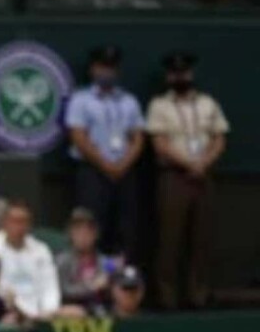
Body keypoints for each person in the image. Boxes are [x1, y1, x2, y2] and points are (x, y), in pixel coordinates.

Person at [146, 51, 229, 310]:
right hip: (174, 176)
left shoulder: (208, 104)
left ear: (191, 74)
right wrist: (188, 163)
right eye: (175, 73)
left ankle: (199, 295)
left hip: (204, 176)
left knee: (201, 238)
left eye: (184, 72)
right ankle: (167, 298)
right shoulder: (159, 105)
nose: (180, 76)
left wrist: (204, 163)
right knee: (170, 239)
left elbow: (220, 138)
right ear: (169, 76)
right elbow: (159, 144)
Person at [65, 45, 146, 261]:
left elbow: (137, 137)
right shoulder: (81, 100)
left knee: (126, 227)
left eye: (111, 67)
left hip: (125, 172)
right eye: (102, 67)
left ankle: (122, 281)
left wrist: (123, 165)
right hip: (93, 172)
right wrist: (106, 165)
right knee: (91, 225)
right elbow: (79, 137)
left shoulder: (129, 101)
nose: (107, 72)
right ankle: (90, 280)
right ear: (93, 69)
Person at [0, 201, 67, 322]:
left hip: (40, 314)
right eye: (14, 221)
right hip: (8, 312)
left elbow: (50, 287)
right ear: (4, 223)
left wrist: (48, 311)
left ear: (29, 225)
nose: (19, 226)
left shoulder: (41, 250)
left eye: (23, 222)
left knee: (77, 313)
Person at [54, 207, 118, 315]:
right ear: (71, 235)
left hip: (102, 312)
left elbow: (114, 286)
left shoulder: (106, 262)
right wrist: (91, 287)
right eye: (78, 232)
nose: (83, 237)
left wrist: (113, 276)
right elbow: (63, 290)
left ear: (95, 235)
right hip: (71, 312)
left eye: (87, 232)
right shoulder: (61, 261)